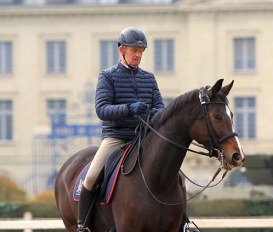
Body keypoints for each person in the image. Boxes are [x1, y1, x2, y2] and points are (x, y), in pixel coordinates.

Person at [77, 27, 197, 232]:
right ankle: (83, 225)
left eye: (142, 51)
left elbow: (160, 108)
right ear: (121, 50)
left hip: (145, 138)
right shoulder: (107, 77)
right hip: (117, 137)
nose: (139, 54)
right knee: (91, 176)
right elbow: (102, 109)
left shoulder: (149, 78)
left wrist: (153, 114)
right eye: (134, 50)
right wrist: (128, 109)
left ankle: (184, 223)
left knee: (178, 176)